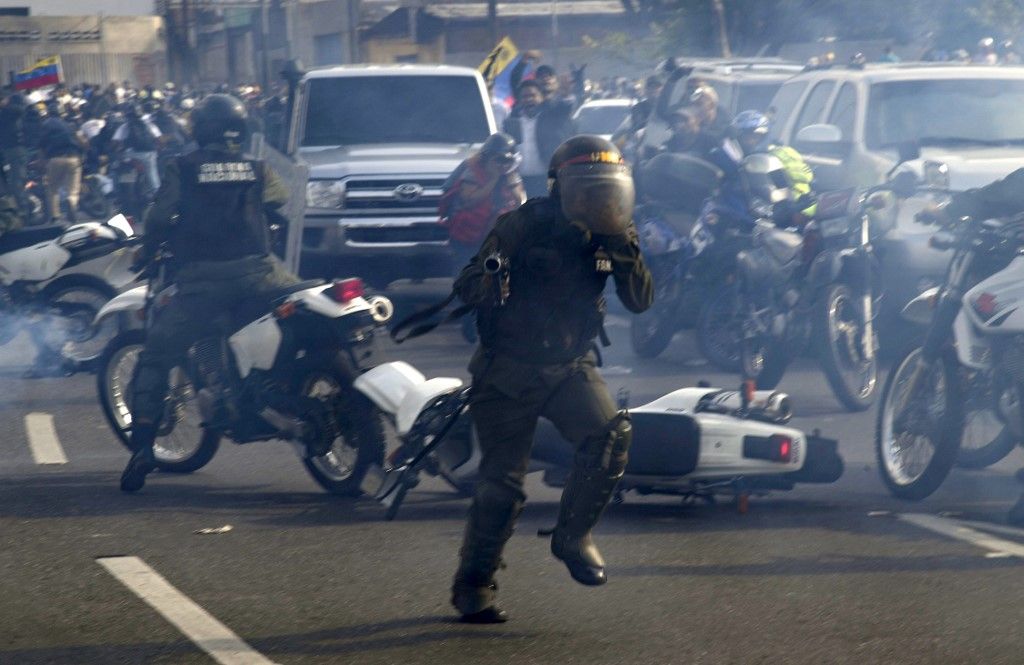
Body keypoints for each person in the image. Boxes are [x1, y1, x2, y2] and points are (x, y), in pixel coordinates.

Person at [449, 135, 653, 623]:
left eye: (605, 190)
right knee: (501, 487)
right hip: (507, 371)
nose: (594, 199)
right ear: (560, 187)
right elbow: (468, 280)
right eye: (584, 189)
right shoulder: (523, 222)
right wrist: (491, 283)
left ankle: (572, 537)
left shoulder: (617, 232)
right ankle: (474, 585)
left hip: (570, 365)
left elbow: (640, 301)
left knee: (610, 436)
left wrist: (622, 246)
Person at [120, 93, 300, 493]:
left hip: (204, 282)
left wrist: (148, 250)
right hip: (265, 276)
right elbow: (279, 198)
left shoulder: (182, 168)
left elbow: (160, 217)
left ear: (200, 129)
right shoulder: (256, 167)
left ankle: (143, 449)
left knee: (156, 354)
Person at [503, 80, 575, 197]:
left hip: (545, 178)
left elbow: (565, 108)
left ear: (541, 98)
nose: (529, 99)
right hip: (520, 181)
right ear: (520, 100)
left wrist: (566, 94)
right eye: (525, 96)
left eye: (533, 95)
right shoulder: (512, 122)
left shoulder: (551, 117)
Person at [38, 100, 87, 223]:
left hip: (55, 159)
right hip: (73, 158)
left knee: (52, 188)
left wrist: (41, 162)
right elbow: (81, 141)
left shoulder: (45, 125)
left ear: (48, 113)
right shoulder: (69, 124)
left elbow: (41, 146)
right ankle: (71, 201)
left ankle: (55, 216)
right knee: (73, 189)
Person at [113, 103, 162, 194]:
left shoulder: (124, 126)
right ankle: (157, 194)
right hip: (149, 154)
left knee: (114, 167)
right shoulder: (149, 125)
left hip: (130, 154)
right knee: (153, 175)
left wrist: (116, 151)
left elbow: (115, 142)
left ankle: (115, 192)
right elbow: (159, 139)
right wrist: (157, 149)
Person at [0, 94, 32, 217]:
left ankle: (24, 210)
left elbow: (18, 110)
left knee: (16, 181)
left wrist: (5, 104)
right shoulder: (7, 113)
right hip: (9, 150)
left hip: (16, 149)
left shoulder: (13, 112)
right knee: (12, 182)